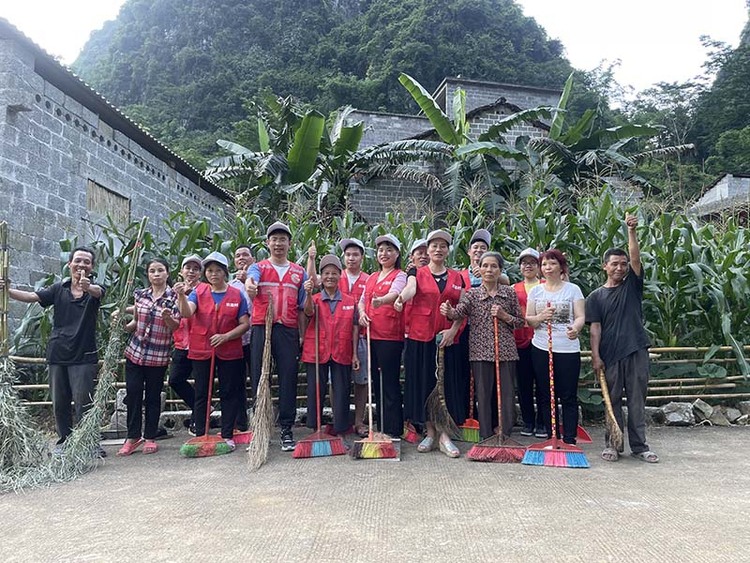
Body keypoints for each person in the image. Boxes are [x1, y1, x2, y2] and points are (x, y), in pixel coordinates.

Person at [1, 247, 106, 455]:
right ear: (70, 264)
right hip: (58, 353)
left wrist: (89, 286)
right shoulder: (58, 289)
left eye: (87, 262)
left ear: (92, 266)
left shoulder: (95, 289)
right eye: (78, 261)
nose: (82, 265)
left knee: (84, 401)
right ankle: (65, 441)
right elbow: (32, 296)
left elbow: (98, 292)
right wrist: (7, 290)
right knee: (60, 401)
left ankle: (89, 442)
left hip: (84, 355)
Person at [586, 214, 657, 463]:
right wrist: (596, 356)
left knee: (637, 400)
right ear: (604, 266)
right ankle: (613, 445)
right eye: (614, 263)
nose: (620, 268)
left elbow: (636, 257)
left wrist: (631, 232)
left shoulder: (632, 286)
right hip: (610, 355)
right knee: (611, 400)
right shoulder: (595, 297)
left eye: (623, 264)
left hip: (636, 349)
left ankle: (640, 446)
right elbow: (595, 329)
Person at [441, 252, 524, 440]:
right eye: (485, 266)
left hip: (505, 351)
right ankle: (486, 437)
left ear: (500, 270)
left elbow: (520, 322)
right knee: (484, 396)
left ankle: (505, 434)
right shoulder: (472, 294)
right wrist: (448, 311)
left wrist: (504, 316)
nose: (489, 270)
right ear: (479, 268)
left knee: (507, 396)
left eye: (493, 266)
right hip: (480, 351)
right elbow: (458, 313)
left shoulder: (509, 293)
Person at [396, 229, 464, 458]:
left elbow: (463, 310)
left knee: (445, 387)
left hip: (446, 339)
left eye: (442, 246)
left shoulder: (457, 277)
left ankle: (444, 435)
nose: (438, 249)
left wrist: (453, 330)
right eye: (433, 246)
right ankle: (430, 431)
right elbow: (410, 290)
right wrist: (400, 298)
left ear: (448, 250)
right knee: (425, 384)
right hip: (420, 337)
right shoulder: (417, 273)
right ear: (428, 249)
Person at [175, 251, 249, 451]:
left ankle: (227, 434)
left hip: (229, 350)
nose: (213, 274)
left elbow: (245, 323)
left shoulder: (236, 294)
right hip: (202, 349)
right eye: (209, 270)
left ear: (225, 272)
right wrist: (181, 295)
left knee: (229, 391)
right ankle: (201, 434)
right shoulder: (197, 293)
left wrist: (226, 336)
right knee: (202, 392)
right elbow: (186, 312)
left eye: (218, 270)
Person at [245, 221, 308, 452]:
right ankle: (259, 428)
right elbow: (250, 281)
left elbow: (303, 307)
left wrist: (301, 336)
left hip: (288, 330)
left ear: (289, 244)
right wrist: (250, 286)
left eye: (283, 239)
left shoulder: (298, 272)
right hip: (263, 327)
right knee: (260, 377)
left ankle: (286, 429)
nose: (278, 243)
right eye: (274, 239)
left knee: (288, 378)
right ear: (267, 243)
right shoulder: (259, 267)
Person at [117, 258, 180, 456]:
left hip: (158, 355)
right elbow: (135, 322)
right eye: (152, 271)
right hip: (135, 353)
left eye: (160, 270)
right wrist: (122, 326)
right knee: (133, 393)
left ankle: (150, 437)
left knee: (153, 396)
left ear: (167, 273)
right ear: (148, 274)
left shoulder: (174, 297)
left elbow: (176, 327)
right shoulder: (140, 295)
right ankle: (132, 436)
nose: (156, 274)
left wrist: (169, 318)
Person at [525, 249, 585, 444]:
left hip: (567, 348)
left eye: (552, 263)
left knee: (568, 395)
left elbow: (580, 317)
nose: (547, 267)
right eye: (544, 264)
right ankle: (552, 436)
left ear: (561, 266)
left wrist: (575, 328)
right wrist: (541, 317)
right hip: (541, 347)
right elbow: (529, 321)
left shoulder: (573, 289)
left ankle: (569, 438)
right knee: (545, 393)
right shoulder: (536, 291)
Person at [302, 255, 360, 435]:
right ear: (321, 276)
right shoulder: (316, 299)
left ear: (340, 275)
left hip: (342, 350)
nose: (330, 277)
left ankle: (341, 428)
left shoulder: (350, 301)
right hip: (317, 351)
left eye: (334, 273)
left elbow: (355, 328)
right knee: (315, 389)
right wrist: (309, 294)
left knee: (342, 389)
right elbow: (308, 311)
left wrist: (355, 354)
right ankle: (315, 427)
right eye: (326, 273)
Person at [358, 234, 407, 439]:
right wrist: (362, 313)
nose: (384, 254)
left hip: (390, 337)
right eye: (380, 250)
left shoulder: (400, 275)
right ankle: (379, 426)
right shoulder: (371, 277)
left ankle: (393, 429)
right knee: (376, 382)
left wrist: (381, 301)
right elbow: (362, 301)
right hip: (372, 335)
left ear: (396, 254)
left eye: (389, 250)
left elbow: (395, 294)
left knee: (389, 382)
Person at [338, 237, 370, 437]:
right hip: (338, 337)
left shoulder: (369, 280)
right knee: (337, 381)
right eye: (348, 254)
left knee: (361, 381)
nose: (351, 258)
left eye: (355, 254)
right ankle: (339, 420)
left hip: (363, 338)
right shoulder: (333, 276)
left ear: (362, 257)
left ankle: (359, 421)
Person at [513, 248, 545, 437]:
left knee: (542, 382)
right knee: (524, 383)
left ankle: (542, 422)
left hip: (541, 339)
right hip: (521, 340)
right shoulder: (513, 289)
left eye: (532, 263)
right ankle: (528, 421)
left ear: (539, 266)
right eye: (524, 263)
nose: (528, 266)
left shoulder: (545, 285)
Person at [169, 254, 202, 434]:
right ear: (181, 271)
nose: (191, 272)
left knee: (201, 383)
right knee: (175, 380)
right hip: (181, 343)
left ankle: (198, 419)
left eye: (196, 269)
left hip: (200, 343)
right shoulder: (172, 291)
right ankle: (203, 409)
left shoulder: (204, 290)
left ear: (200, 273)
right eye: (188, 268)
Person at [230, 244, 254, 431]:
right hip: (237, 339)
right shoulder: (230, 285)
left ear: (252, 259)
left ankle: (261, 418)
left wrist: (248, 280)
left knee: (258, 379)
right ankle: (241, 422)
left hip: (256, 338)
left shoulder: (258, 280)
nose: (241, 258)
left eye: (245, 255)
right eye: (238, 255)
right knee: (237, 380)